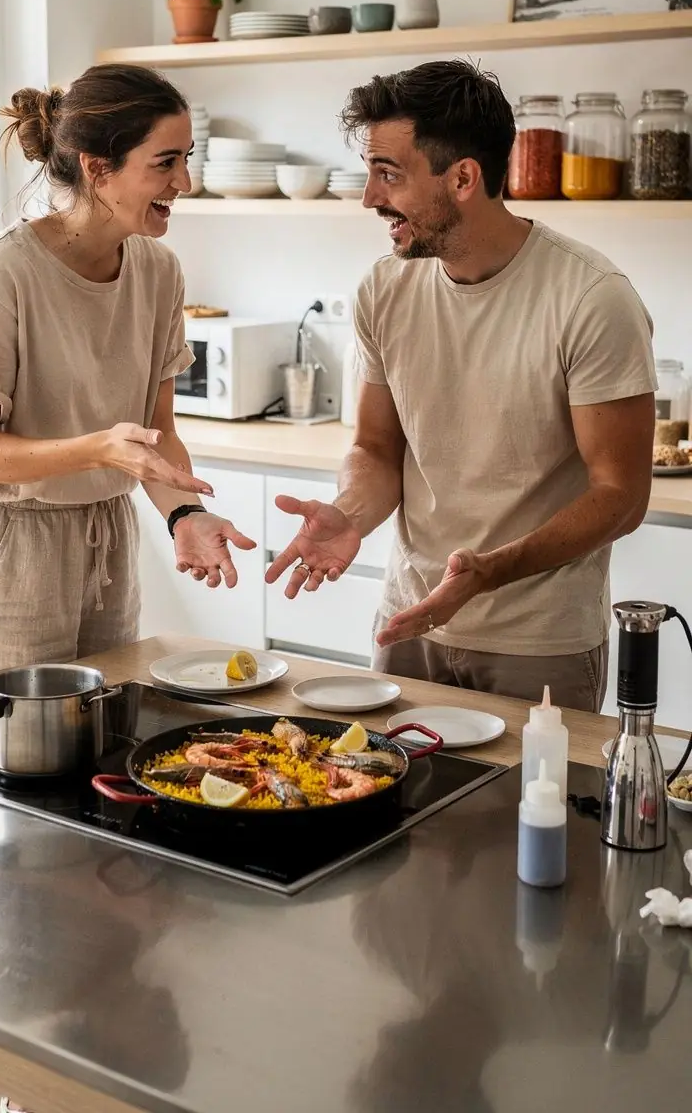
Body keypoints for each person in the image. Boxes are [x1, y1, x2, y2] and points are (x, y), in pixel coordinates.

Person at [266, 61, 656, 710]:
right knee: (390, 807)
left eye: (389, 174)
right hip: (409, 621)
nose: (368, 198)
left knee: (528, 814)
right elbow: (376, 451)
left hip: (538, 643)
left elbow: (620, 495)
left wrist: (489, 572)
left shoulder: (591, 299)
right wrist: (349, 512)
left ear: (465, 178)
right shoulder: (384, 291)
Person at [0, 63, 256, 698]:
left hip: (107, 536)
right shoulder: (1, 278)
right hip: (10, 545)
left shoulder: (159, 272)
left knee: (99, 742)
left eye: (187, 160)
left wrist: (185, 514)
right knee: (3, 760)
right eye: (164, 163)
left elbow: (157, 433)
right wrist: (95, 448)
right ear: (97, 166)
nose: (184, 182)